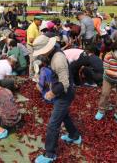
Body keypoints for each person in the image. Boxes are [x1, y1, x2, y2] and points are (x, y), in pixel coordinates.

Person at [33, 35, 81, 163]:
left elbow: (64, 83)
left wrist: (52, 92)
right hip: (61, 92)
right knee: (64, 116)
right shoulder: (52, 52)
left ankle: (50, 154)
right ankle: (74, 136)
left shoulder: (58, 59)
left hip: (65, 93)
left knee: (53, 124)